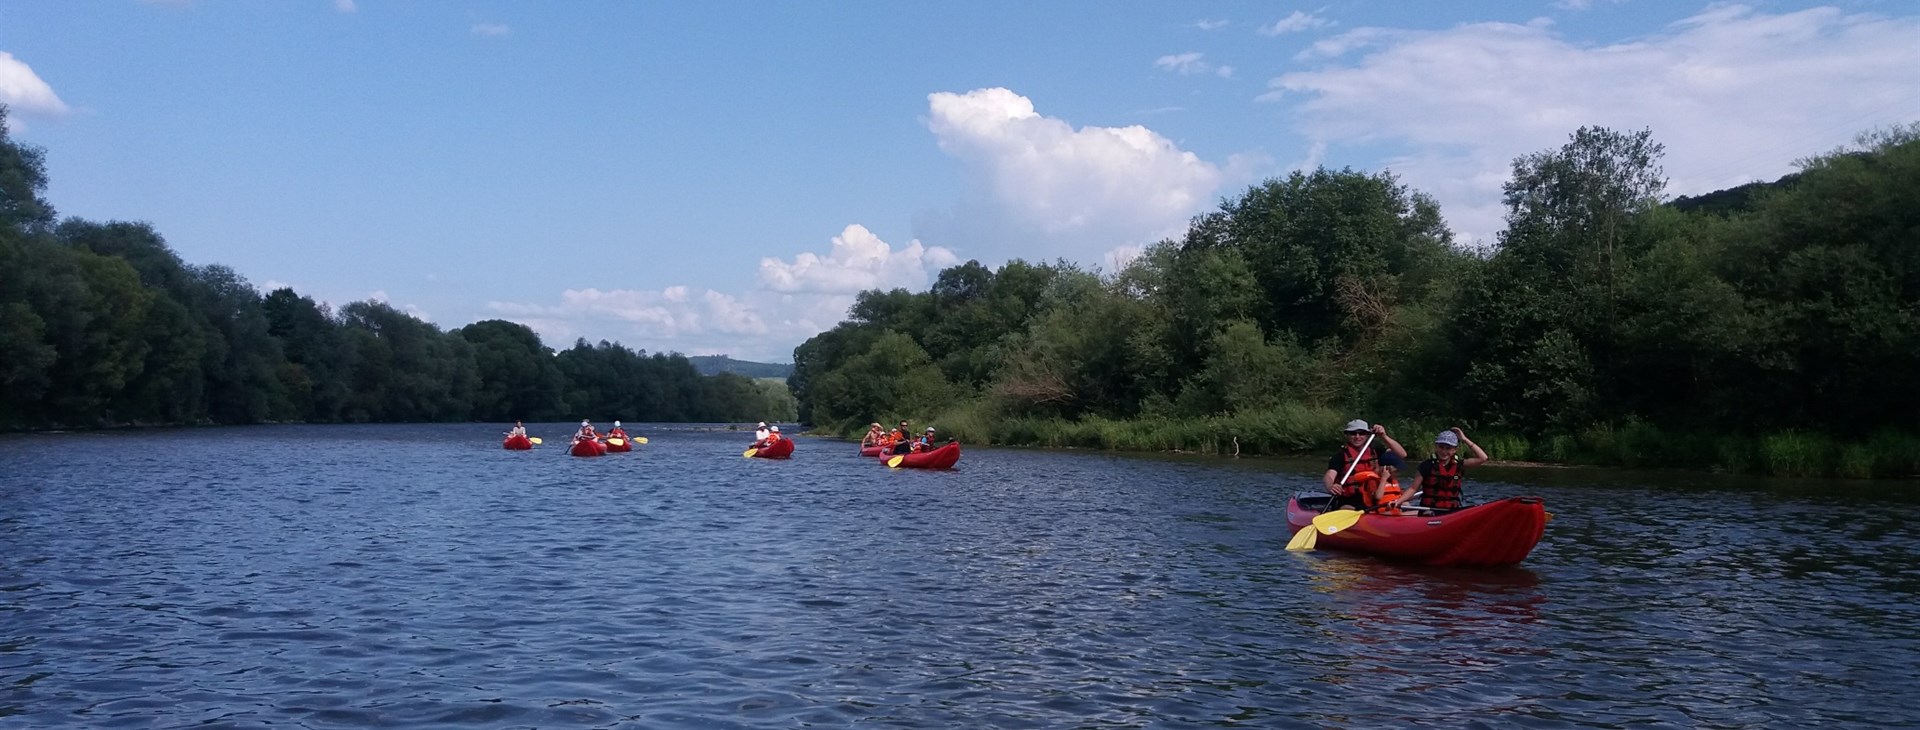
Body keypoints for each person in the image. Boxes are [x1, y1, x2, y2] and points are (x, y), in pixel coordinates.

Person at [1321, 420, 1408, 512]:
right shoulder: (1340, 456)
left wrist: (1384, 436)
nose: (1357, 437)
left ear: (1367, 435)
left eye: (1361, 433)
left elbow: (1402, 454)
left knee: (1405, 504)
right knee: (1346, 509)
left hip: (1375, 495)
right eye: (1353, 433)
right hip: (1352, 499)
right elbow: (1329, 475)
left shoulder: (1376, 450)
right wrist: (1331, 486)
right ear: (1347, 435)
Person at [1412, 428, 1489, 512]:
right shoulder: (1426, 466)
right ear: (1436, 447)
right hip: (1429, 511)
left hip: (1452, 511)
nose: (1444, 451)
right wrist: (1399, 502)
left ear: (1455, 450)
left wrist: (1464, 439)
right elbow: (1413, 489)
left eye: (1448, 448)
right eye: (1441, 447)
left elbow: (1483, 458)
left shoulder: (1459, 465)